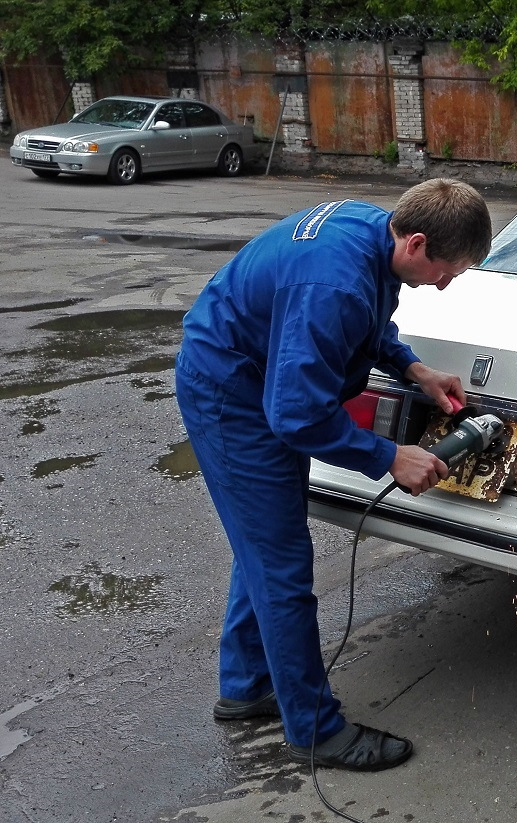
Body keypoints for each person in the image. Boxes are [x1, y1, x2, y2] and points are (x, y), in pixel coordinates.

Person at [175, 178, 492, 771]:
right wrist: (387, 456)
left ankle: (245, 688)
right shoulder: (334, 282)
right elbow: (296, 414)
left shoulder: (374, 233)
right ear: (417, 242)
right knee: (283, 568)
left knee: (267, 544)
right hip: (230, 396)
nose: (447, 285)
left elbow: (368, 321)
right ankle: (315, 731)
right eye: (449, 271)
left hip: (257, 379)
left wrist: (414, 368)